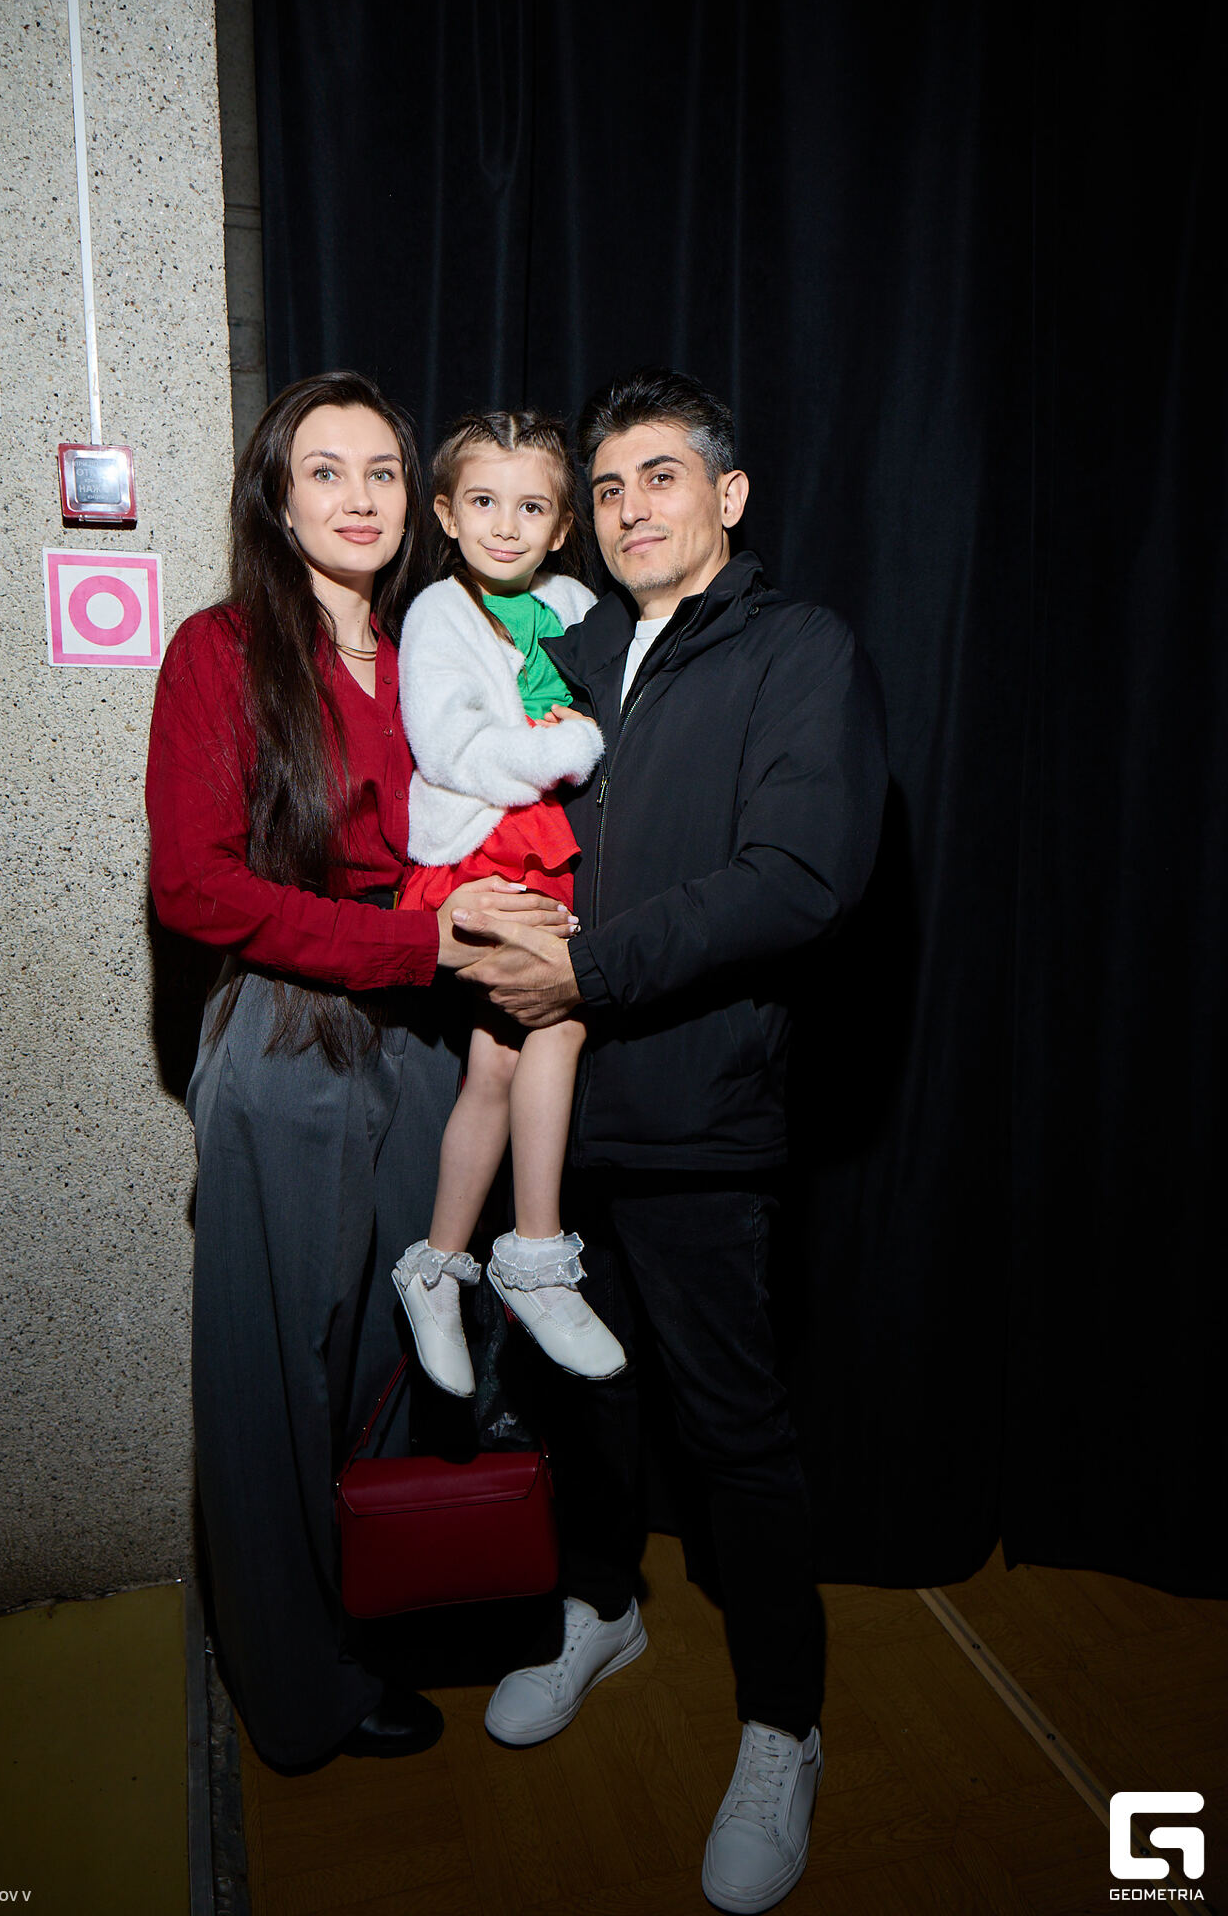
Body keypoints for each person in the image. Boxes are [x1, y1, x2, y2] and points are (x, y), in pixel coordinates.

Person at [458, 368, 888, 1914]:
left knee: (732, 1431)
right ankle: (602, 1607)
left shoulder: (798, 650)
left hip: (702, 1114)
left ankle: (782, 1724)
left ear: (729, 494)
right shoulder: (559, 646)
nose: (631, 507)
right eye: (609, 486)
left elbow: (802, 877)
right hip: (551, 1118)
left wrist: (586, 967)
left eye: (661, 476)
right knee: (580, 1404)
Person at [144, 370, 572, 1771]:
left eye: (382, 470)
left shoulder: (435, 646)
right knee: (280, 1376)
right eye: (323, 471)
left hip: (432, 1038)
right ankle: (298, 1689)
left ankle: (389, 1610)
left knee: (407, 1350)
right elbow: (195, 888)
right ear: (275, 497)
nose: (358, 496)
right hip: (290, 1039)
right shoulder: (221, 651)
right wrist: (413, 936)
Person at [389, 410, 625, 1395]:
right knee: (557, 1025)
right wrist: (567, 744)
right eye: (483, 502)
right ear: (446, 513)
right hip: (477, 854)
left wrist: (589, 731)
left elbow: (617, 709)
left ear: (563, 526)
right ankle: (533, 1258)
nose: (504, 525)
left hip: (547, 849)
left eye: (531, 508)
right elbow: (452, 749)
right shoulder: (437, 614)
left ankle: (439, 1268)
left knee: (496, 1061)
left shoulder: (576, 602)